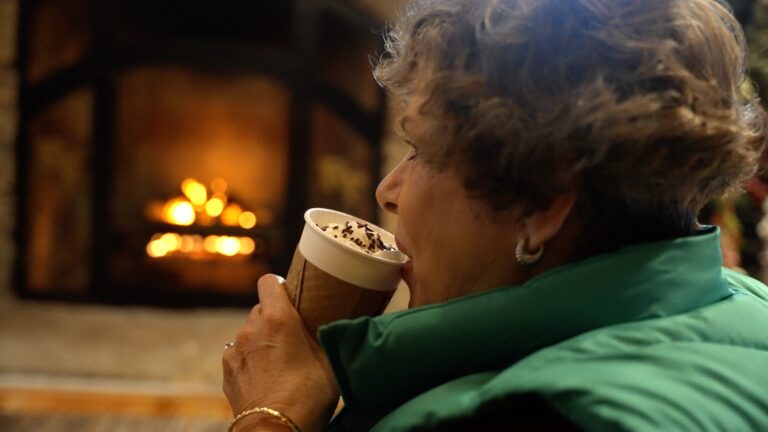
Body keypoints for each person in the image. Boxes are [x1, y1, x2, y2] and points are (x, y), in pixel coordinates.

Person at [222, 0, 768, 430]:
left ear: (542, 203)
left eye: (423, 153)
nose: (389, 191)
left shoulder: (534, 415)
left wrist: (271, 416)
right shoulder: (751, 308)